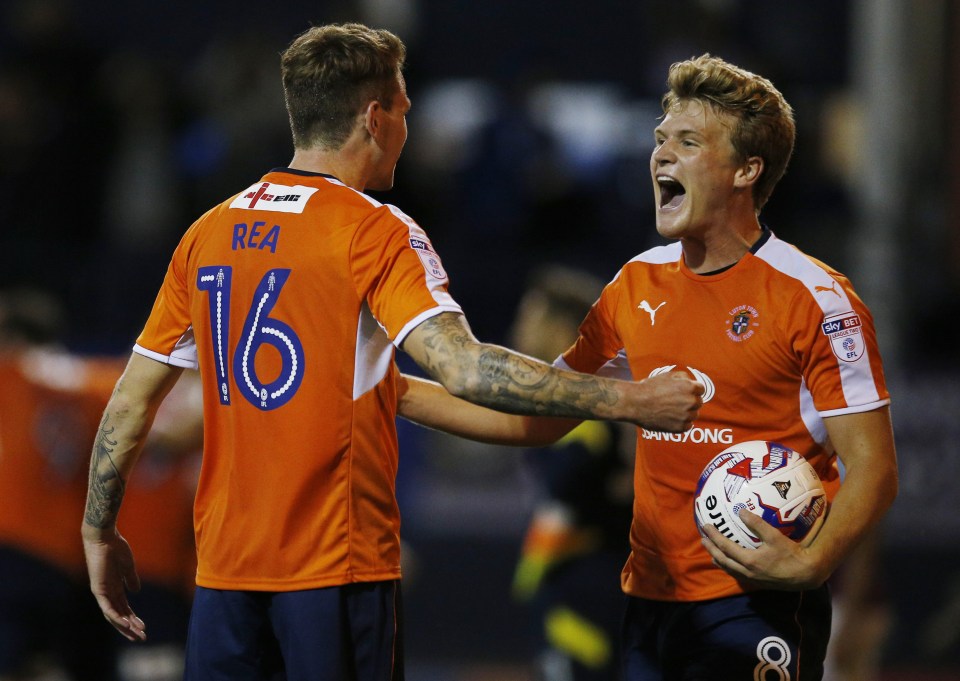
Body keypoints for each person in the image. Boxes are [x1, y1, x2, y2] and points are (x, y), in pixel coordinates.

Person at [80, 23, 704, 681]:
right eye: (404, 109)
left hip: (224, 584)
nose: (409, 125)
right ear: (375, 119)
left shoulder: (207, 233)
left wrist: (98, 530)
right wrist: (630, 397)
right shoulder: (375, 232)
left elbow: (130, 402)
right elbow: (463, 367)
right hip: (334, 574)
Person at [396, 54, 898, 680]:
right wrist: (388, 389)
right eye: (661, 140)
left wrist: (811, 564)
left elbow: (874, 465)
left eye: (688, 142)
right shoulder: (636, 282)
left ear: (747, 169)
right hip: (649, 605)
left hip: (756, 603)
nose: (662, 155)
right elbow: (541, 415)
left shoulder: (817, 299)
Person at [508, 266, 634, 681]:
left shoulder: (586, 428)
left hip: (586, 597)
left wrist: (532, 577)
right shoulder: (568, 417)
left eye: (530, 317)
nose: (518, 330)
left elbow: (563, 507)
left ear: (561, 327)